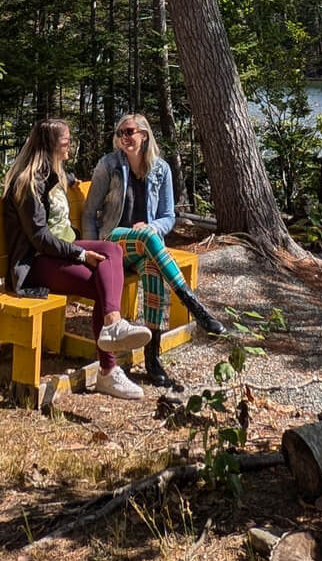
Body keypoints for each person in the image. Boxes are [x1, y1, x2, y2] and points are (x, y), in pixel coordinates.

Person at [2, 118, 152, 400]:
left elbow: (65, 179)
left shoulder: (51, 172)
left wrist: (71, 181)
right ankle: (108, 371)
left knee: (114, 251)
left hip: (59, 252)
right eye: (65, 142)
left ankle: (113, 325)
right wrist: (80, 253)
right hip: (34, 263)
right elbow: (40, 239)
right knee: (100, 281)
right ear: (49, 146)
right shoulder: (27, 183)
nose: (70, 146)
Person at [83, 114, 225, 389]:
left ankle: (152, 358)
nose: (124, 137)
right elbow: (89, 213)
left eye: (130, 132)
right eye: (120, 132)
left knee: (152, 265)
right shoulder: (109, 165)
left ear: (144, 135)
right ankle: (192, 303)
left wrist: (151, 226)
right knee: (149, 238)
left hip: (143, 247)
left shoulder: (161, 169)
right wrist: (92, 251)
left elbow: (168, 216)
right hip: (112, 244)